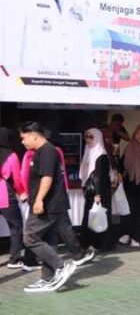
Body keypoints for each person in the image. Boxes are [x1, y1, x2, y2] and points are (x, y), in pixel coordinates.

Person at [19, 121, 92, 293]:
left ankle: (60, 267)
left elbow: (47, 178)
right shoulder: (43, 151)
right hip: (52, 204)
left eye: (23, 138)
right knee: (49, 241)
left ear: (34, 135)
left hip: (48, 205)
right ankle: (48, 278)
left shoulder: (46, 151)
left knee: (30, 237)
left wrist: (39, 200)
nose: (22, 142)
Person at [79, 128, 114, 251]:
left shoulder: (101, 155)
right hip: (91, 191)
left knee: (99, 215)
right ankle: (90, 242)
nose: (87, 140)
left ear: (98, 138)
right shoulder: (89, 152)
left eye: (91, 137)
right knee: (92, 216)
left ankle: (101, 243)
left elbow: (100, 177)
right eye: (86, 136)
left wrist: (98, 194)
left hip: (99, 192)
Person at [1, 127, 29, 269]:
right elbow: (17, 179)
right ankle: (14, 259)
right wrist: (22, 193)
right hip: (4, 194)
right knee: (16, 226)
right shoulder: (11, 155)